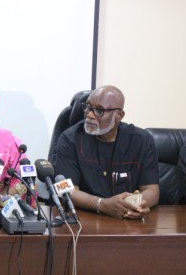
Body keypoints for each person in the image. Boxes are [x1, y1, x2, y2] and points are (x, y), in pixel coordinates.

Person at [55, 85, 159, 219]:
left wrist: (134, 206)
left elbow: (152, 191)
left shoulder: (141, 141)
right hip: (85, 220)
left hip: (129, 223)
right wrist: (102, 204)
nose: (89, 115)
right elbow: (66, 191)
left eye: (99, 110)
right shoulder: (70, 139)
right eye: (87, 107)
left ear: (118, 115)